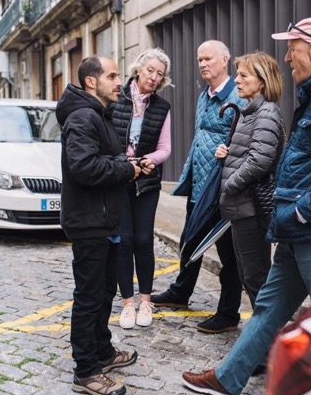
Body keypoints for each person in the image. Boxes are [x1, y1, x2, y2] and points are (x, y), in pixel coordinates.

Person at [182, 17, 311, 395]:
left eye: (292, 48)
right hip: (297, 228)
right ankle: (228, 377)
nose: (286, 57)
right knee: (267, 307)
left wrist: (300, 211)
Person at [56, 56, 142, 395]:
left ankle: (103, 352)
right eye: (112, 75)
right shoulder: (82, 117)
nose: (119, 81)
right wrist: (126, 169)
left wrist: (128, 164)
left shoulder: (98, 114)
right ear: (92, 82)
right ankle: (86, 372)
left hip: (104, 218)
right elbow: (84, 168)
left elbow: (101, 159)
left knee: (105, 291)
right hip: (89, 221)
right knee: (89, 297)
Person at [151, 40, 247, 334]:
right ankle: (181, 292)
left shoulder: (238, 96)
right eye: (199, 59)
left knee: (228, 252)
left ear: (225, 61)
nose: (203, 63)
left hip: (222, 186)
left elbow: (243, 143)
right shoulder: (204, 96)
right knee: (190, 240)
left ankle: (228, 313)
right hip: (199, 183)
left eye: (208, 58)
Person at [213, 52, 285, 309]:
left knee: (256, 278)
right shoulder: (250, 112)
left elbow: (259, 161)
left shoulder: (265, 113)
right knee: (249, 276)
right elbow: (250, 153)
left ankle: (268, 341)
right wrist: (228, 152)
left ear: (262, 82)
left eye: (244, 75)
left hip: (250, 208)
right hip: (241, 207)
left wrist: (230, 183)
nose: (237, 80)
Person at [111, 48, 172, 329]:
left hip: (147, 181)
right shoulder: (116, 101)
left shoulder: (162, 107)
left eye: (159, 74)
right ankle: (127, 304)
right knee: (124, 241)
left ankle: (145, 301)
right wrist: (124, 162)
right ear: (138, 69)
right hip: (120, 179)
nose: (154, 77)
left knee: (144, 240)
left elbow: (165, 149)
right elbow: (109, 143)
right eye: (151, 71)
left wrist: (148, 160)